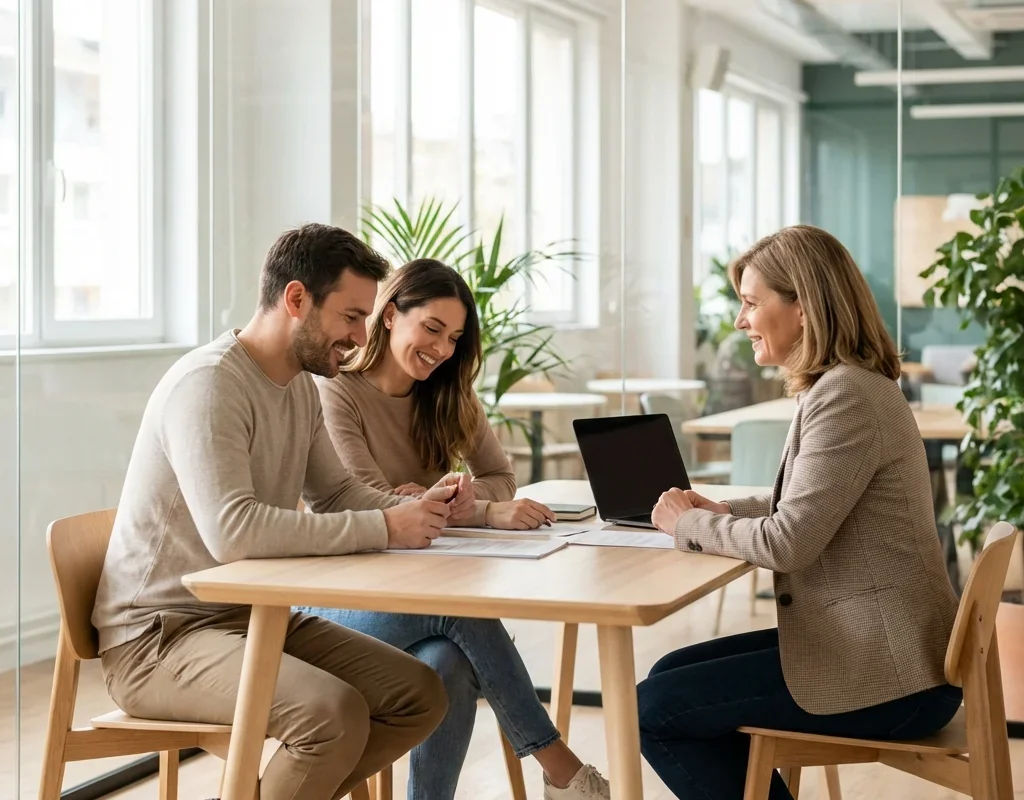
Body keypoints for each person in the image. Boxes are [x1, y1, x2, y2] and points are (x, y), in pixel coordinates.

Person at [91, 224, 457, 800]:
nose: (361, 337)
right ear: (295, 300)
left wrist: (424, 512)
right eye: (351, 317)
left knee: (420, 693)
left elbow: (337, 494)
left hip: (252, 617)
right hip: (159, 637)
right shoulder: (210, 385)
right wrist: (387, 526)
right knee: (330, 716)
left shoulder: (298, 387)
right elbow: (232, 533)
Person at [639, 225, 963, 800]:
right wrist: (721, 510)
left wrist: (688, 524)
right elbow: (811, 502)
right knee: (666, 678)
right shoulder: (849, 386)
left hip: (891, 675)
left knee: (655, 709)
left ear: (804, 307)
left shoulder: (846, 395)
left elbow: (788, 541)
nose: (740, 321)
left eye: (751, 303)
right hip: (892, 652)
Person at [298, 258, 609, 800]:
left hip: (419, 593)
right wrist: (479, 513)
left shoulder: (447, 391)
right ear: (390, 315)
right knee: (458, 609)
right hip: (338, 607)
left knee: (448, 661)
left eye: (455, 338)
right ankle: (562, 768)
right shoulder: (337, 392)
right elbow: (367, 503)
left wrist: (462, 503)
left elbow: (500, 476)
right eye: (432, 330)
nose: (441, 350)